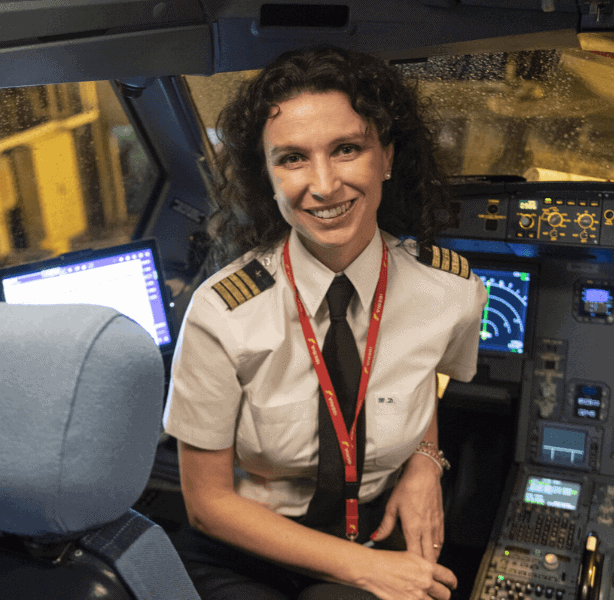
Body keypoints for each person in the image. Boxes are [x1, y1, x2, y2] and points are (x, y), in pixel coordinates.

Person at [163, 46, 488, 600]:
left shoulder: (450, 292)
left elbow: (424, 380)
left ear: (386, 157)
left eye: (346, 149)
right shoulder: (222, 313)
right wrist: (363, 569)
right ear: (266, 176)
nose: (324, 184)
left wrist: (426, 463)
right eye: (292, 158)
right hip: (246, 549)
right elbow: (208, 505)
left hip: (374, 527)